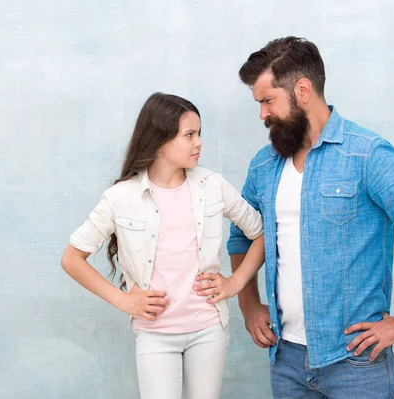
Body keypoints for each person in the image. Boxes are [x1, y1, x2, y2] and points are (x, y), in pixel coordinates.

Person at [201, 37, 394, 398]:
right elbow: (242, 235)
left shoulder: (368, 156)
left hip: (356, 363)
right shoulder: (264, 164)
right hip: (286, 361)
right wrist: (249, 305)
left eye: (267, 101)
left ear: (302, 90)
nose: (262, 114)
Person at [60, 92, 266, 399]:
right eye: (189, 135)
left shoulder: (212, 186)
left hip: (208, 328)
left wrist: (235, 282)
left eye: (199, 134)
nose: (199, 143)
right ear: (159, 140)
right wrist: (123, 301)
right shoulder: (121, 197)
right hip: (154, 333)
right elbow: (71, 258)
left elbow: (260, 232)